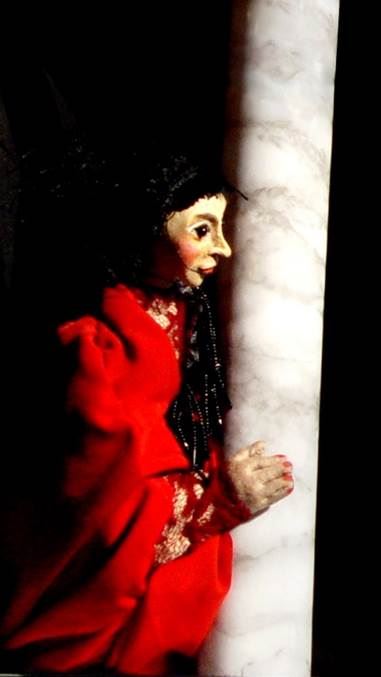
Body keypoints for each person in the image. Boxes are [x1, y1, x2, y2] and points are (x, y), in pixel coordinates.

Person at [0, 144, 294, 675]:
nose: (224, 248)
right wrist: (214, 506)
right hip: (102, 595)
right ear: (146, 227)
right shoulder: (97, 344)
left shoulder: (185, 308)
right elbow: (102, 489)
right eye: (202, 230)